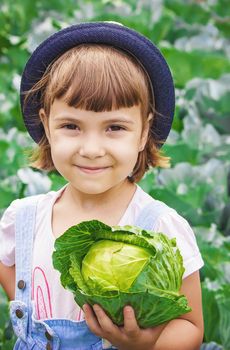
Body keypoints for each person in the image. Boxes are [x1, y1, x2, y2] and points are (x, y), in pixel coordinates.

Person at [0, 21, 204, 350]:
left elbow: (191, 326)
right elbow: (13, 271)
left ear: (143, 132)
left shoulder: (161, 227)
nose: (92, 148)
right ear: (47, 128)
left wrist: (143, 343)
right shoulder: (23, 219)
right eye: (71, 126)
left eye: (114, 128)